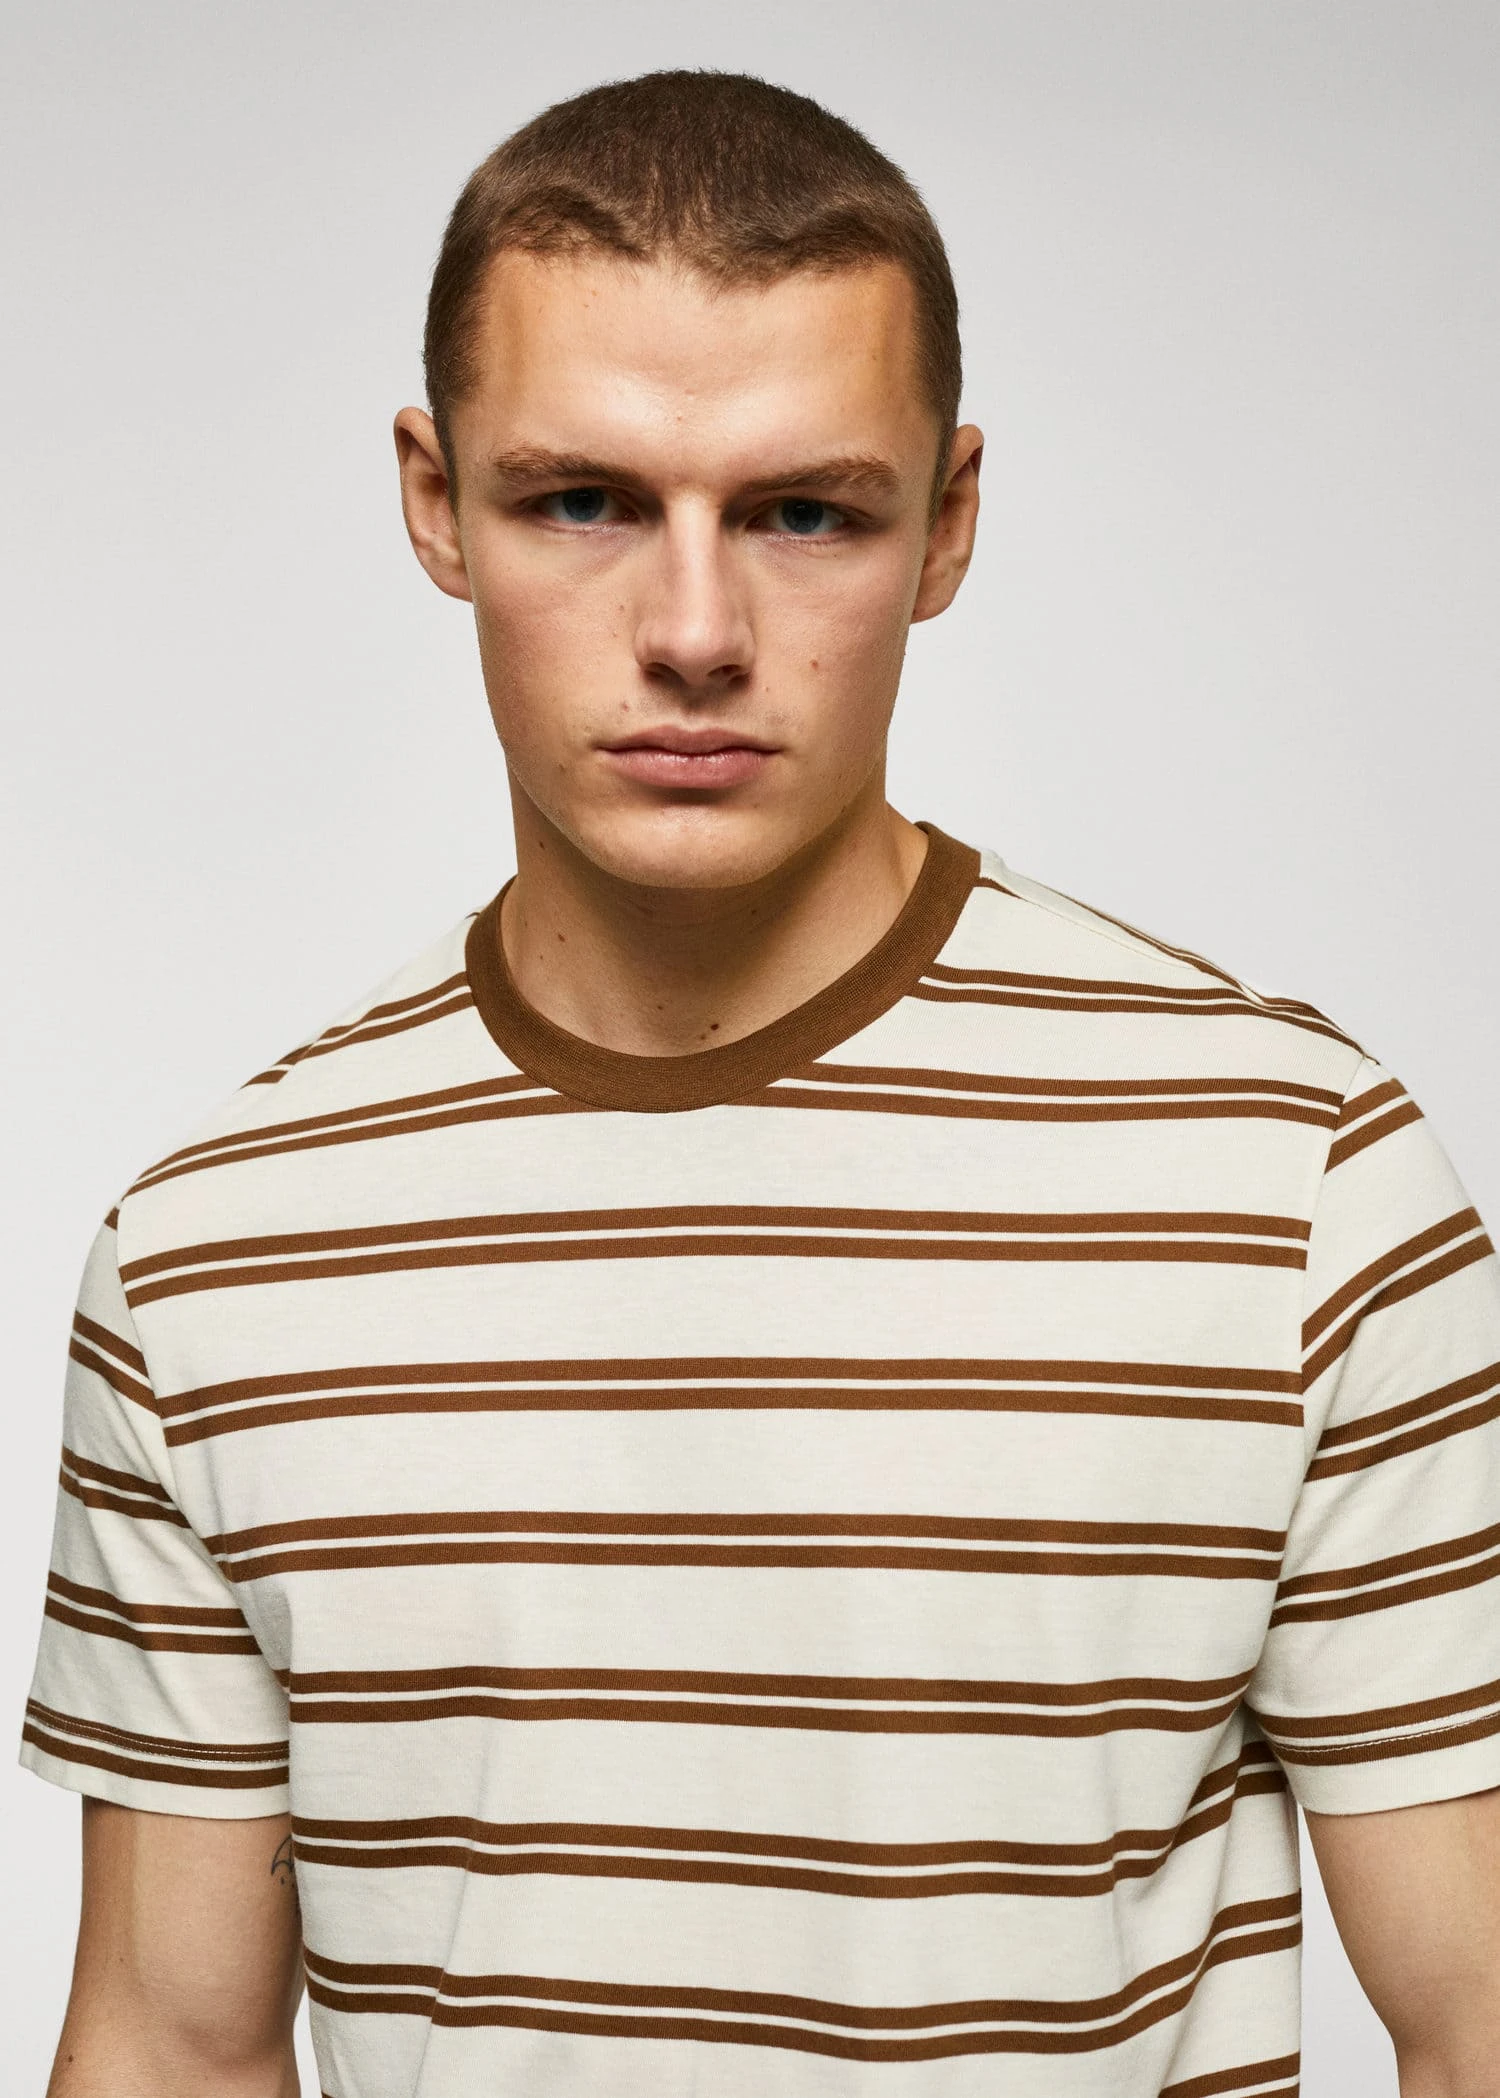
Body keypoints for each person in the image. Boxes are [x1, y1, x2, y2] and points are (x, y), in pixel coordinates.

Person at [23, 67, 1500, 2098]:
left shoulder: (1297, 1188)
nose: (696, 631)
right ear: (435, 500)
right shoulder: (213, 1257)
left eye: (806, 512)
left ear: (946, 523)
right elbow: (171, 2049)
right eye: (583, 500)